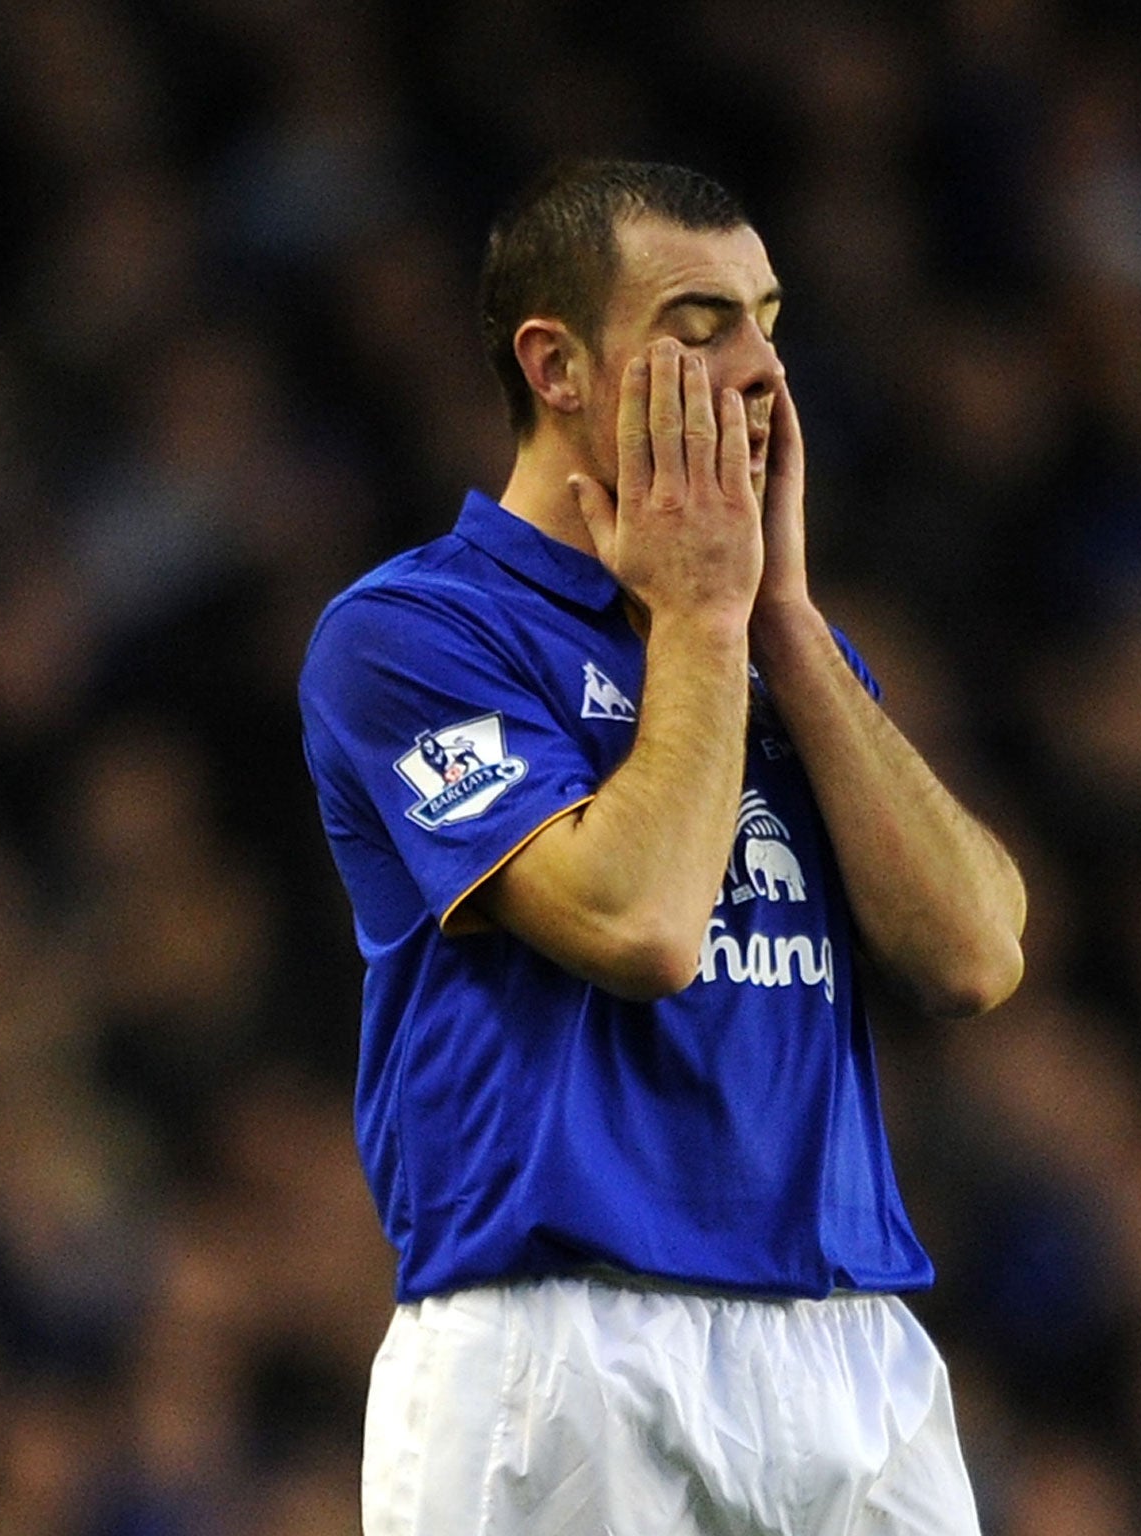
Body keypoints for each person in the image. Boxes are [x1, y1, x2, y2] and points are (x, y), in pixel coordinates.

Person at [299, 159, 1027, 1535]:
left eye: (768, 318)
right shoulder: (415, 634)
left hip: (845, 1331)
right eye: (701, 329)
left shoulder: (774, 644)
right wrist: (700, 622)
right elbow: (639, 926)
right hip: (561, 1346)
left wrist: (790, 624)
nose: (761, 369)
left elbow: (977, 953)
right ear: (556, 364)